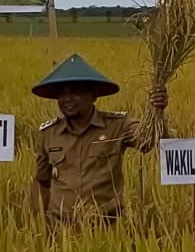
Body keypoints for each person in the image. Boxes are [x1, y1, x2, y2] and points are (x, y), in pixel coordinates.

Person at [33, 54, 168, 225]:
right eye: (62, 93)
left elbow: (151, 141)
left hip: (106, 227)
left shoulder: (117, 126)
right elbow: (41, 181)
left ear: (93, 96)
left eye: (76, 92)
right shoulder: (49, 133)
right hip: (60, 229)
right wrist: (39, 224)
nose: (67, 99)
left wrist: (158, 112)